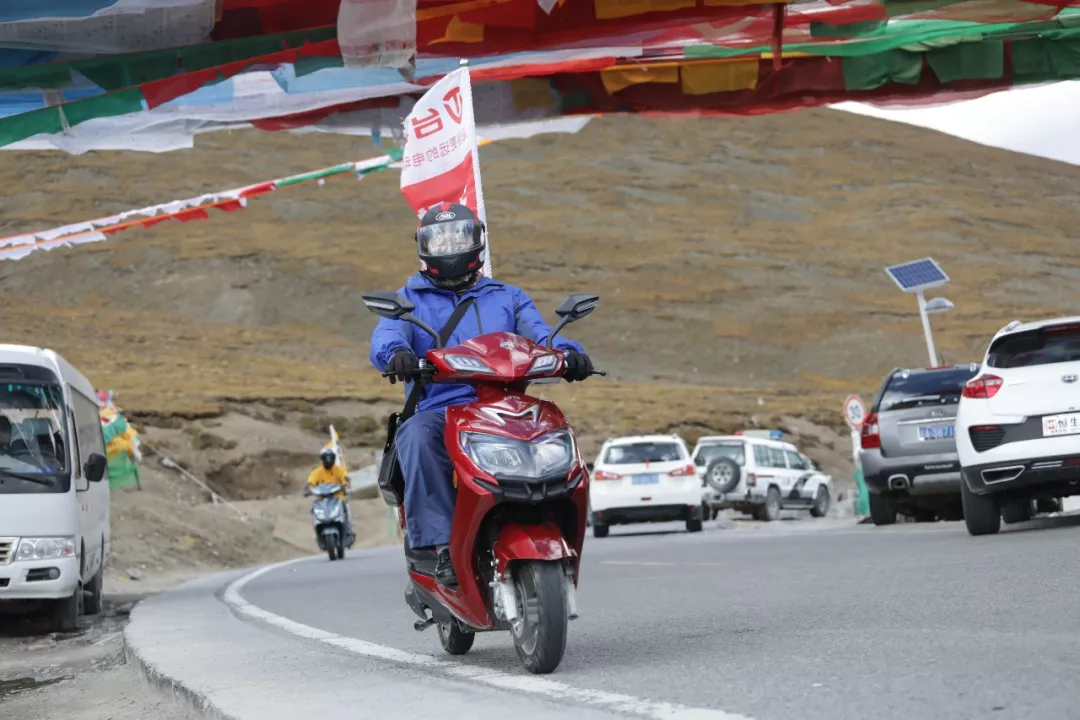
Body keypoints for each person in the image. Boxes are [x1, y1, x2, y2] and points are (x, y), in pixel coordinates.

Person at [370, 202, 595, 587]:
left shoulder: (508, 297)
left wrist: (569, 353)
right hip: (443, 409)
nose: (449, 246)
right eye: (437, 240)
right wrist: (397, 355)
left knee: (554, 426)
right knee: (417, 435)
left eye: (458, 236)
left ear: (477, 241)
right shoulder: (409, 299)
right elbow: (387, 334)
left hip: (506, 405)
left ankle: (552, 521)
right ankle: (440, 547)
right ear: (423, 246)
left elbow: (540, 334)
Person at [305, 448, 354, 542]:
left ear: (334, 458)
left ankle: (348, 531)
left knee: (346, 510)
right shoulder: (317, 472)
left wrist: (346, 483)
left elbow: (345, 478)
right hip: (321, 500)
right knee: (314, 510)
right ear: (322, 459)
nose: (328, 460)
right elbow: (311, 482)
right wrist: (308, 489)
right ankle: (318, 531)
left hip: (338, 498)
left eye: (330, 458)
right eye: (326, 458)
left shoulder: (339, 470)